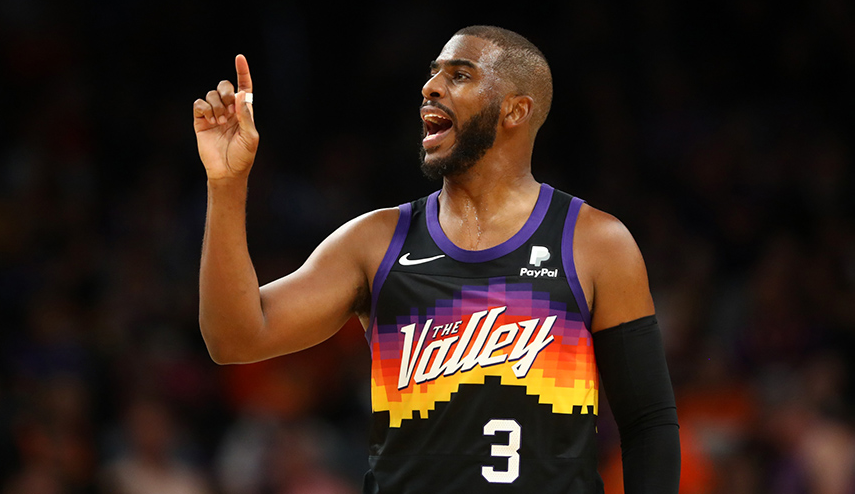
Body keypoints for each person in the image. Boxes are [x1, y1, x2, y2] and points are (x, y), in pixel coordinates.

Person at [192, 25, 681, 493]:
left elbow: (648, 423)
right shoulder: (376, 241)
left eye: (459, 75)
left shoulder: (594, 243)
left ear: (515, 111)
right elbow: (234, 337)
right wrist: (227, 184)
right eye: (433, 72)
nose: (430, 87)